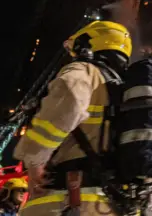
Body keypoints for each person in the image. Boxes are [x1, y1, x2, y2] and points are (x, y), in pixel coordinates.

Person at [13, 20, 132, 216]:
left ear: (89, 45)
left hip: (68, 198)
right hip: (111, 203)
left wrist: (35, 159)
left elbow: (70, 102)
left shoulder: (84, 71)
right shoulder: (124, 90)